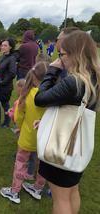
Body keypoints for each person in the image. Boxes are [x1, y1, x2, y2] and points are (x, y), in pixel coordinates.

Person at [35, 31, 100, 214]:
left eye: (62, 54)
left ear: (74, 54)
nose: (60, 59)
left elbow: (40, 98)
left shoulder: (74, 82)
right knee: (72, 191)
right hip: (76, 148)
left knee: (60, 197)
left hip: (60, 150)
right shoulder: (93, 79)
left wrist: (52, 71)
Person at [0, 61, 48, 204]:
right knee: (42, 165)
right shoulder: (53, 95)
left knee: (20, 163)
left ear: (33, 77)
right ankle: (38, 188)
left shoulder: (27, 96)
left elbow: (18, 117)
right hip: (44, 138)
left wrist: (20, 125)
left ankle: (14, 192)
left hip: (27, 138)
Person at [0, 38, 17, 128]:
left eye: (5, 45)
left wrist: (3, 82)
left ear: (10, 47)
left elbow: (12, 73)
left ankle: (7, 122)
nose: (2, 47)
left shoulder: (12, 58)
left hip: (6, 86)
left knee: (5, 104)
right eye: (2, 45)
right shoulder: (1, 57)